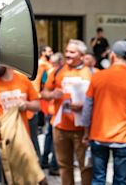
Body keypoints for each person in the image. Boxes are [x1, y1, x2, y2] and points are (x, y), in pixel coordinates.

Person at [82, 41, 126, 185]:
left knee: (98, 178)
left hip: (99, 136)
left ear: (112, 56)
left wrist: (86, 132)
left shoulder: (97, 77)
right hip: (124, 137)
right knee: (121, 181)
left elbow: (87, 108)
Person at [0, 66, 44, 184]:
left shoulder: (23, 79)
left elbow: (37, 105)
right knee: (0, 180)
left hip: (22, 140)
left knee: (24, 179)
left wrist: (25, 105)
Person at [41, 39, 93, 185]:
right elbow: (44, 93)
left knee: (86, 167)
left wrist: (84, 105)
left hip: (83, 129)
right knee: (64, 166)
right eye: (67, 51)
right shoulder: (57, 71)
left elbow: (98, 99)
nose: (67, 54)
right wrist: (52, 95)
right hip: (60, 127)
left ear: (82, 55)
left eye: (72, 52)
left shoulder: (90, 73)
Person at [40, 52, 63, 176]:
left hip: (49, 108)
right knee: (55, 138)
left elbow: (44, 89)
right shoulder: (58, 73)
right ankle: (54, 165)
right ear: (60, 62)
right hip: (56, 110)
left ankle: (44, 160)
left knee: (49, 136)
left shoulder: (47, 72)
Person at [30, 45, 54, 162]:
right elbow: (53, 71)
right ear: (43, 53)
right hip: (37, 96)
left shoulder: (38, 63)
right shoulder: (43, 63)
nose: (51, 53)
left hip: (35, 95)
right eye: (49, 51)